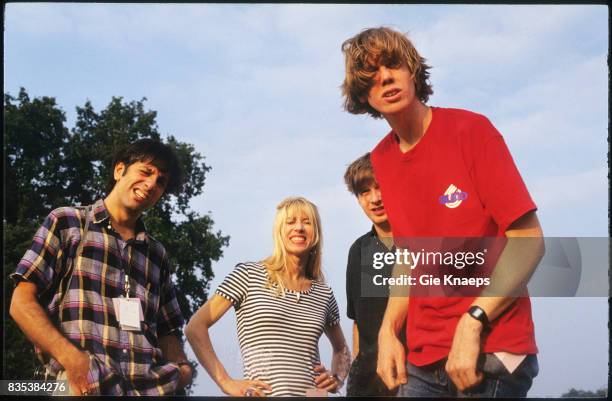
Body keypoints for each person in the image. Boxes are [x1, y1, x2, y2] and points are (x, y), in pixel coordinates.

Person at [340, 27, 544, 397]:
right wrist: (388, 331)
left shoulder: (472, 131)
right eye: (370, 77)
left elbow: (529, 242)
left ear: (412, 70)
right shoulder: (382, 160)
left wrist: (473, 321)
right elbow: (407, 255)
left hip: (492, 347)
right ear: (363, 96)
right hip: (424, 355)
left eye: (392, 64)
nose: (384, 77)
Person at [10, 139, 194, 395]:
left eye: (161, 181)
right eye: (146, 171)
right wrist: (70, 358)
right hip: (82, 385)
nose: (152, 184)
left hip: (148, 390)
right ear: (120, 170)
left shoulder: (157, 254)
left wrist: (182, 368)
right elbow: (21, 302)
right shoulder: (68, 223)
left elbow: (168, 328)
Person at [186, 196, 350, 397]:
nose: (298, 227)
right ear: (279, 231)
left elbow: (342, 349)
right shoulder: (248, 275)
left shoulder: (324, 293)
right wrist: (225, 382)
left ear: (316, 233)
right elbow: (195, 327)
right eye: (290, 222)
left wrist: (337, 378)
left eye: (307, 222)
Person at [343, 152, 402, 396]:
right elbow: (359, 322)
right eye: (364, 192)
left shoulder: (424, 243)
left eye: (381, 187)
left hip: (418, 380)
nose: (375, 199)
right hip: (367, 386)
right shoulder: (359, 250)